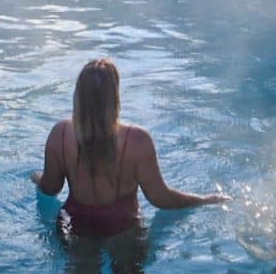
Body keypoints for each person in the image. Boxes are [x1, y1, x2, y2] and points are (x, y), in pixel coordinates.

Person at [31, 58, 228, 235]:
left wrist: (37, 178)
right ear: (114, 97)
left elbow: (50, 188)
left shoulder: (60, 133)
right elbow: (160, 198)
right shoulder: (137, 140)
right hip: (123, 226)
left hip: (75, 223)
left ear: (78, 96)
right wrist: (204, 200)